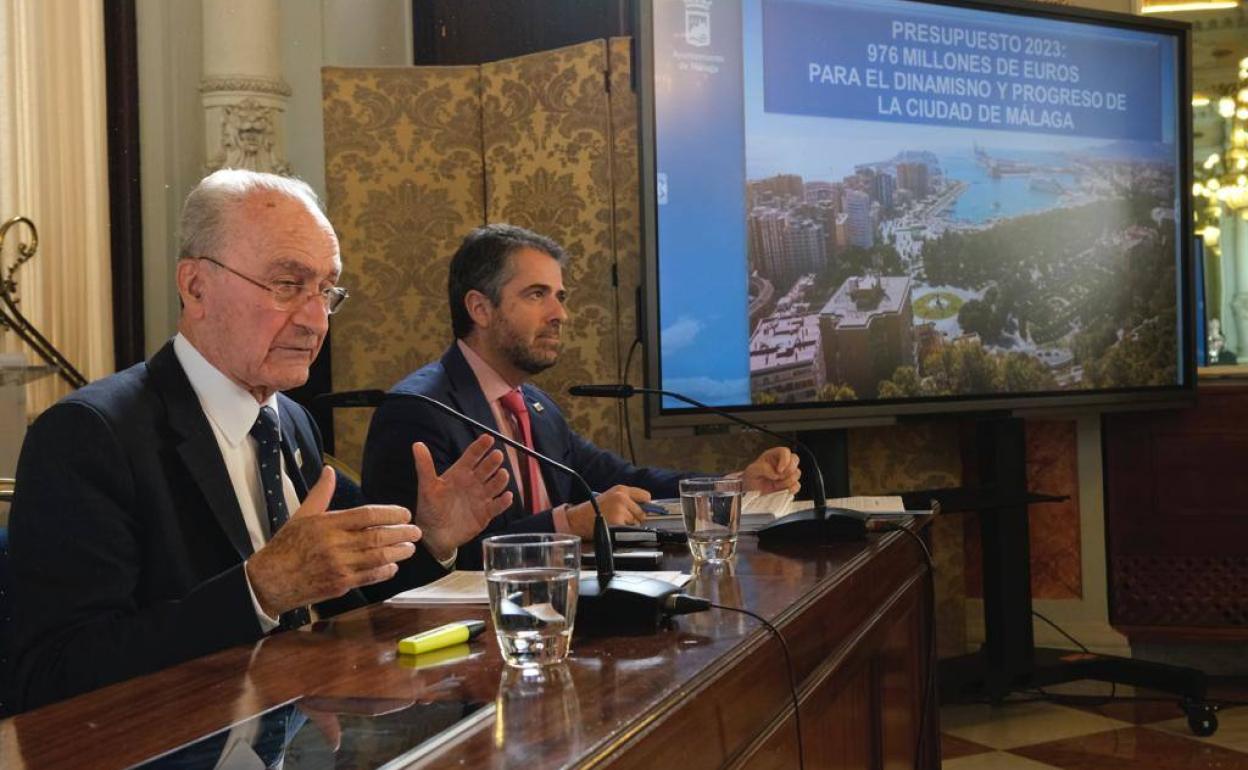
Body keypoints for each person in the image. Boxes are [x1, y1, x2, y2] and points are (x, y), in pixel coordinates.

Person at [4, 170, 513, 712]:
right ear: (196, 287)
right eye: (287, 286)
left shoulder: (291, 422)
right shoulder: (90, 435)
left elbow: (349, 593)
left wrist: (431, 541)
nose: (316, 321)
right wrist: (258, 590)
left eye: (326, 290)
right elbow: (55, 671)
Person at [361, 224, 800, 569]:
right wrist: (566, 524)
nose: (561, 315)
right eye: (537, 295)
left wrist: (733, 486)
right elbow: (408, 567)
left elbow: (625, 480)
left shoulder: (535, 406)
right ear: (480, 308)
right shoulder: (419, 412)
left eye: (560, 297)